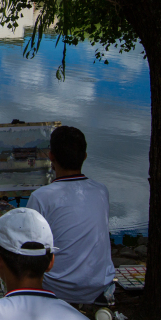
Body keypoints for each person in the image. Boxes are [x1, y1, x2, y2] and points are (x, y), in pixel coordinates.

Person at [26, 125, 116, 303]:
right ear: (84, 156)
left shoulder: (41, 197)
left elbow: (29, 245)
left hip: (58, 288)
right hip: (100, 284)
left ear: (51, 157)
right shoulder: (101, 190)